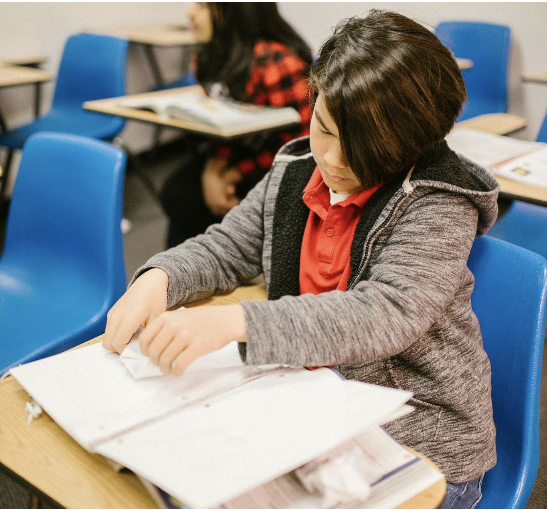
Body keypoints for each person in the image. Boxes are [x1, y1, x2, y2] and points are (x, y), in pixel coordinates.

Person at [105, 10, 498, 509]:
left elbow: (385, 314)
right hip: (312, 406)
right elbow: (228, 246)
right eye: (325, 129)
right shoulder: (295, 170)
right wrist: (159, 277)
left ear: (413, 145)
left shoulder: (436, 202)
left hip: (419, 441)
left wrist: (237, 322)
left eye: (364, 149)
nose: (333, 161)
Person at [160, 2, 312, 247]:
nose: (190, 11)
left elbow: (301, 144)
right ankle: (176, 271)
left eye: (202, 5)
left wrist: (233, 174)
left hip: (281, 164)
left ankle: (226, 261)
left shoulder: (277, 63)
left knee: (191, 203)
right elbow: (221, 122)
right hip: (240, 151)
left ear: (233, 10)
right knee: (177, 193)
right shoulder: (210, 55)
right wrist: (213, 170)